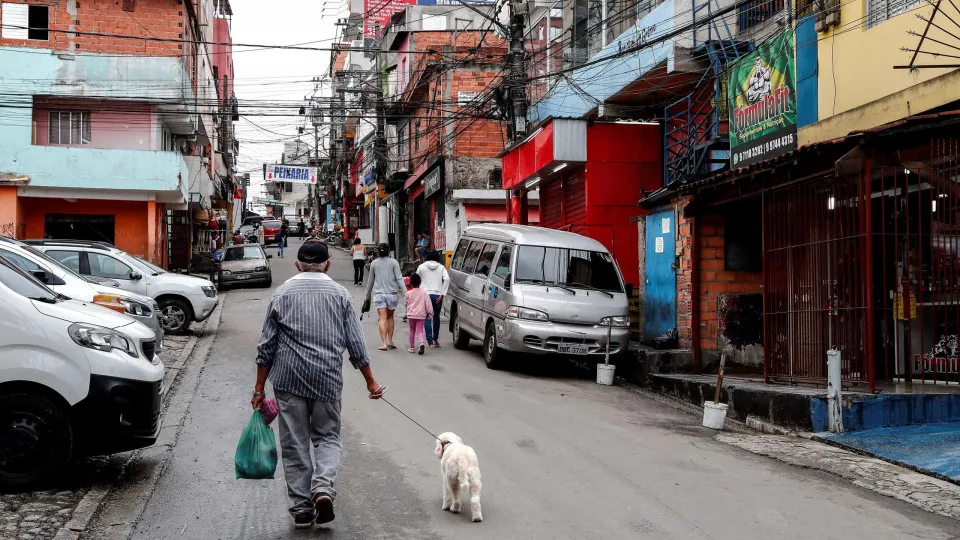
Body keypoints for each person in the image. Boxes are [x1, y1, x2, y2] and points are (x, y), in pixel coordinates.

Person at [252, 240, 386, 529]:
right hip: (326, 379)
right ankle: (322, 488)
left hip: (288, 380)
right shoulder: (340, 294)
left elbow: (266, 346)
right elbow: (356, 344)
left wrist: (259, 389)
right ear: (327, 263)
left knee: (294, 442)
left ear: (297, 264)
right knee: (327, 437)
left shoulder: (282, 293)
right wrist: (371, 382)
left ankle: (302, 509)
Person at [364, 243, 405, 351]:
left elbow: (370, 282)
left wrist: (367, 297)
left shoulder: (374, 263)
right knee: (390, 317)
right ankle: (390, 341)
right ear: (389, 251)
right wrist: (406, 293)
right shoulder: (394, 262)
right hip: (392, 294)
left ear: (378, 252)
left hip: (379, 295)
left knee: (382, 318)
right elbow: (399, 278)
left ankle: (384, 343)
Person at [416, 250, 450, 348]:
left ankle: (429, 341)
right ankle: (435, 340)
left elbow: (416, 278)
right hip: (437, 296)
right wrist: (443, 293)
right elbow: (447, 279)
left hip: (425, 294)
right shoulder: (441, 267)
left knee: (426, 317)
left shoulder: (421, 267)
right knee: (436, 317)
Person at [404, 273, 432, 355]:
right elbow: (428, 304)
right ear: (420, 282)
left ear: (411, 283)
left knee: (412, 330)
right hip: (421, 315)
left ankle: (412, 348)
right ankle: (422, 343)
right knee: (420, 331)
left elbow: (406, 303)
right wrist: (430, 313)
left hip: (411, 315)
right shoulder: (424, 293)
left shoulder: (408, 293)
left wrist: (406, 313)